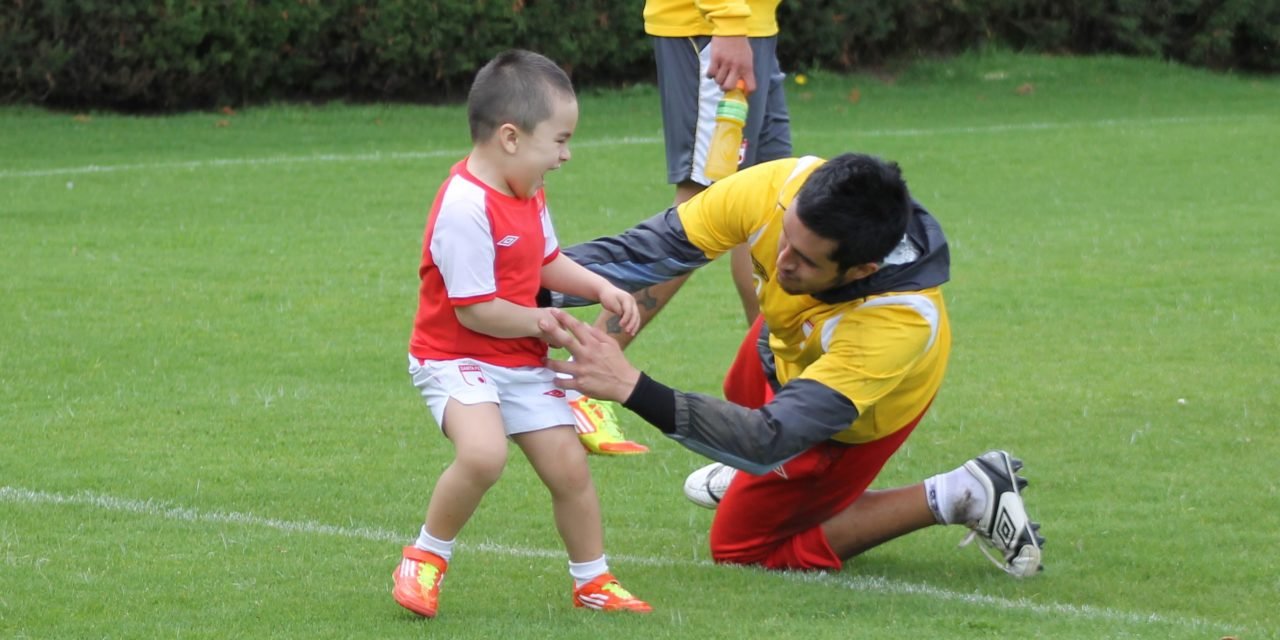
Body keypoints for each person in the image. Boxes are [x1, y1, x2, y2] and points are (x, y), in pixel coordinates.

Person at [538, 153, 1044, 576]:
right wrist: (514, 285)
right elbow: (651, 251)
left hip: (851, 421)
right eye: (786, 237)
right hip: (786, 344)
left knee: (740, 548)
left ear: (861, 270)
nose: (781, 262)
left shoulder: (898, 322)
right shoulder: (780, 186)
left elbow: (769, 438)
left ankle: (961, 493)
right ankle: (771, 487)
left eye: (805, 259)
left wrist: (630, 386)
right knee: (738, 390)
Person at [392, 49, 652, 619]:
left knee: (569, 469)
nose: (566, 155)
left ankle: (593, 581)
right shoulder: (464, 207)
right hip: (454, 358)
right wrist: (547, 323)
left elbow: (546, 260)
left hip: (518, 359)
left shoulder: (527, 188)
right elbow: (475, 312)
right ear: (510, 137)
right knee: (484, 454)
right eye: (559, 140)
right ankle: (425, 557)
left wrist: (601, 287)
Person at [567, 0, 794, 455]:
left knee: (769, 207)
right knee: (700, 214)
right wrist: (728, 23)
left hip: (751, 27)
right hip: (713, 27)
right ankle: (580, 381)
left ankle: (778, 399)